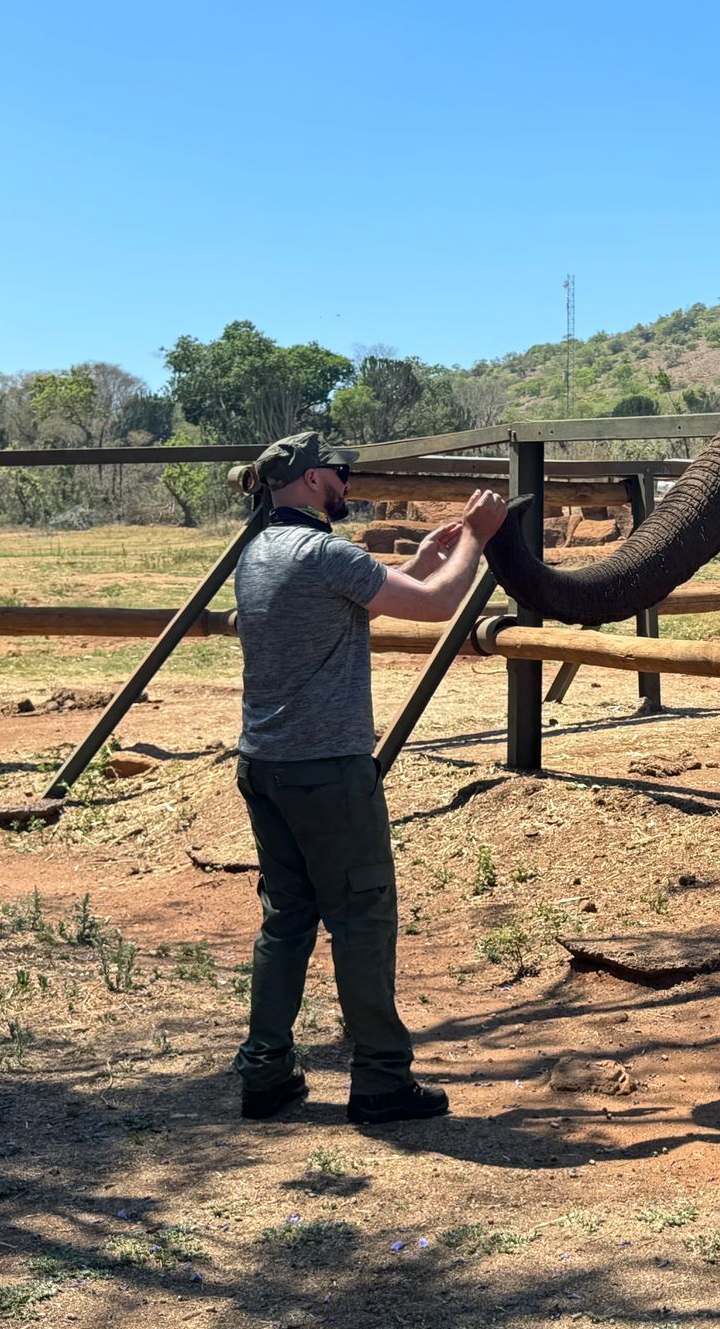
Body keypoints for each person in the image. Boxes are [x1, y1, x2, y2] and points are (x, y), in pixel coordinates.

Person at [230, 430, 507, 1124]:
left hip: (264, 764)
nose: (347, 483)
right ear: (313, 478)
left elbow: (354, 598)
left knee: (286, 918)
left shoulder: (258, 553)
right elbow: (443, 604)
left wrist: (417, 560)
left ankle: (264, 1072)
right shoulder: (324, 552)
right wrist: (477, 536)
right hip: (327, 771)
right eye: (340, 472)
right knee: (362, 917)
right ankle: (382, 1077)